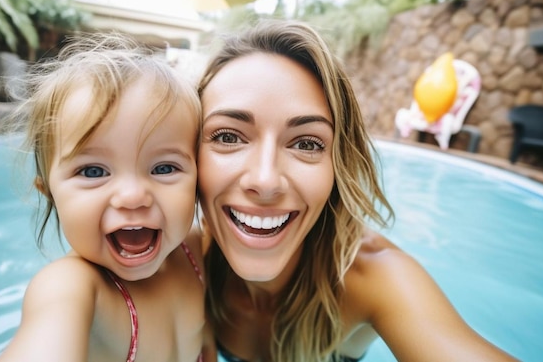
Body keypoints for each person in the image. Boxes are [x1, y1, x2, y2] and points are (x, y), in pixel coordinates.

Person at [197, 19, 518, 362]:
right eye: (228, 137)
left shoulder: (375, 276)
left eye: (306, 143)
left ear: (338, 166)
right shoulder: (184, 259)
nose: (265, 181)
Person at [0, 34, 211, 362]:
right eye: (93, 172)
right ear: (50, 195)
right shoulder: (73, 288)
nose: (133, 196)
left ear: (198, 181)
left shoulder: (196, 253)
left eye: (164, 167)